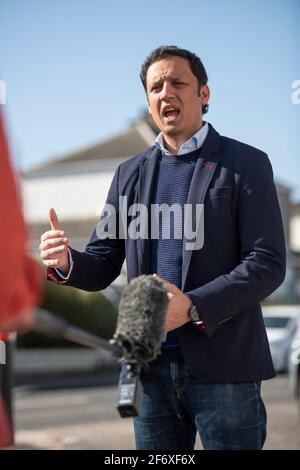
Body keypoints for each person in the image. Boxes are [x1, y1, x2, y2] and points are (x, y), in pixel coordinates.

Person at [39, 45, 286, 450]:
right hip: (150, 372)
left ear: (203, 94)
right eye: (155, 87)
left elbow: (267, 263)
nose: (165, 92)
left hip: (225, 370)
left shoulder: (246, 163)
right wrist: (67, 261)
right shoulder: (128, 174)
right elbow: (103, 263)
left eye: (177, 82)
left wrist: (191, 306)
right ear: (149, 102)